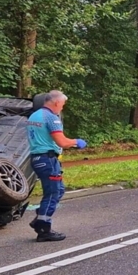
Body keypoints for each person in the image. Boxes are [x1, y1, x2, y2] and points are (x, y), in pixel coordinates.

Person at [26, 90, 87, 242]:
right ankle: (43, 230)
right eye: (63, 105)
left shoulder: (35, 115)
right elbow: (62, 142)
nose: (62, 108)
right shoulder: (51, 118)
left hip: (37, 158)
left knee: (58, 189)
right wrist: (76, 142)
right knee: (52, 193)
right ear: (56, 102)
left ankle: (39, 219)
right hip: (47, 159)